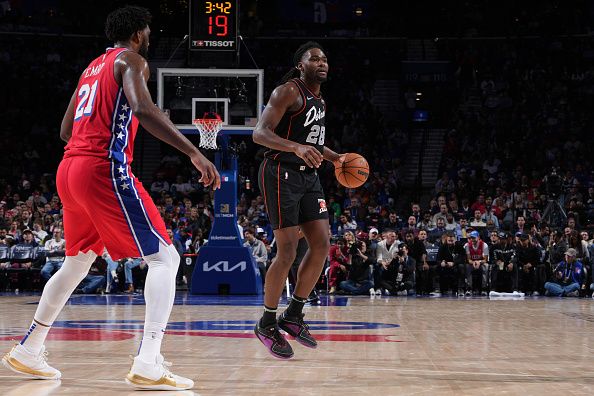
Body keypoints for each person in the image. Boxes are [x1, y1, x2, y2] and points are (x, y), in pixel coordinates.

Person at [2, 6, 219, 390]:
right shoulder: (132, 59)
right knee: (165, 257)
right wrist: (193, 152)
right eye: (148, 31)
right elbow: (142, 107)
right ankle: (149, 359)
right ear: (138, 34)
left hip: (70, 169)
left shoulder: (92, 67)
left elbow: (66, 129)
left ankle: (30, 347)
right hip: (102, 168)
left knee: (77, 262)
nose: (149, 38)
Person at [252, 41, 345, 359]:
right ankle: (266, 323)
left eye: (325, 59)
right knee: (288, 249)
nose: (322, 62)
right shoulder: (287, 92)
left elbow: (314, 144)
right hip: (280, 172)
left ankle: (293, 314)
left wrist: (337, 158)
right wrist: (294, 148)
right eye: (315, 58)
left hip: (309, 176)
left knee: (322, 244)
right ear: (300, 65)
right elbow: (259, 133)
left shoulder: (319, 99)